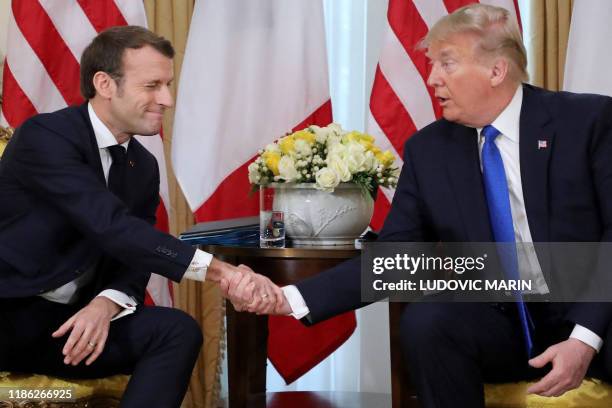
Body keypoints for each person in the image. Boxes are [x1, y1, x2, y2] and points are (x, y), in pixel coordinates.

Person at [223, 4, 612, 407]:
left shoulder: (586, 121)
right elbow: (397, 254)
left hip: (597, 319)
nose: (431, 79)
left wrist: (584, 338)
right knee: (429, 321)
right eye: (430, 65)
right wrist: (290, 298)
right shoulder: (430, 150)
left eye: (447, 64)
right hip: (504, 327)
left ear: (496, 71)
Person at [0, 26, 279, 408]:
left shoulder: (142, 166)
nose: (166, 98)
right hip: (8, 313)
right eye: (152, 85)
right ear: (105, 84)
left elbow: (134, 256)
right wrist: (223, 272)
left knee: (176, 330)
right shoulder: (46, 136)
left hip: (70, 327)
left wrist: (106, 303)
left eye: (167, 84)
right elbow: (111, 226)